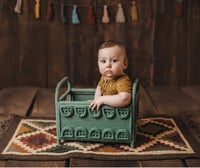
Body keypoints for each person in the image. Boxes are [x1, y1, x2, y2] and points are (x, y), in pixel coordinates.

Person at [90, 41, 132, 110]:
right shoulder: (104, 77)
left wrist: (102, 99)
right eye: (103, 61)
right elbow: (99, 88)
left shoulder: (122, 81)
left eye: (114, 60)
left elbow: (124, 99)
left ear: (125, 64)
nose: (108, 65)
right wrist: (96, 100)